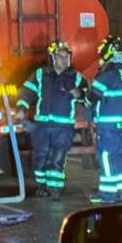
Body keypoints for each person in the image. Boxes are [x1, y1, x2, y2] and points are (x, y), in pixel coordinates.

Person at [15, 39, 88, 200]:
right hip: (43, 125)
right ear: (52, 58)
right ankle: (41, 186)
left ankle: (54, 188)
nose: (64, 59)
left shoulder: (76, 77)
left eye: (66, 56)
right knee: (41, 157)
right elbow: (27, 91)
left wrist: (80, 94)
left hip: (63, 127)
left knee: (57, 158)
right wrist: (22, 107)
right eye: (60, 56)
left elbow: (88, 95)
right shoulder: (41, 74)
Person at [87, 35, 122, 204]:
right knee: (117, 157)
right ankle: (120, 191)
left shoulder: (109, 73)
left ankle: (107, 194)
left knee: (105, 156)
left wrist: (83, 99)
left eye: (102, 51)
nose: (101, 55)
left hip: (109, 124)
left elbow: (93, 95)